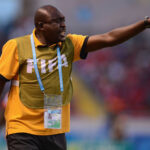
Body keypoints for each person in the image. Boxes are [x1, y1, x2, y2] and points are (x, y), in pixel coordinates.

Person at [0, 4, 149, 150]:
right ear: (41, 26)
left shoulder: (70, 44)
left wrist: (143, 24)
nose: (63, 25)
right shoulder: (17, 46)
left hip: (54, 129)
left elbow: (109, 38)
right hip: (22, 128)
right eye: (57, 22)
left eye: (63, 20)